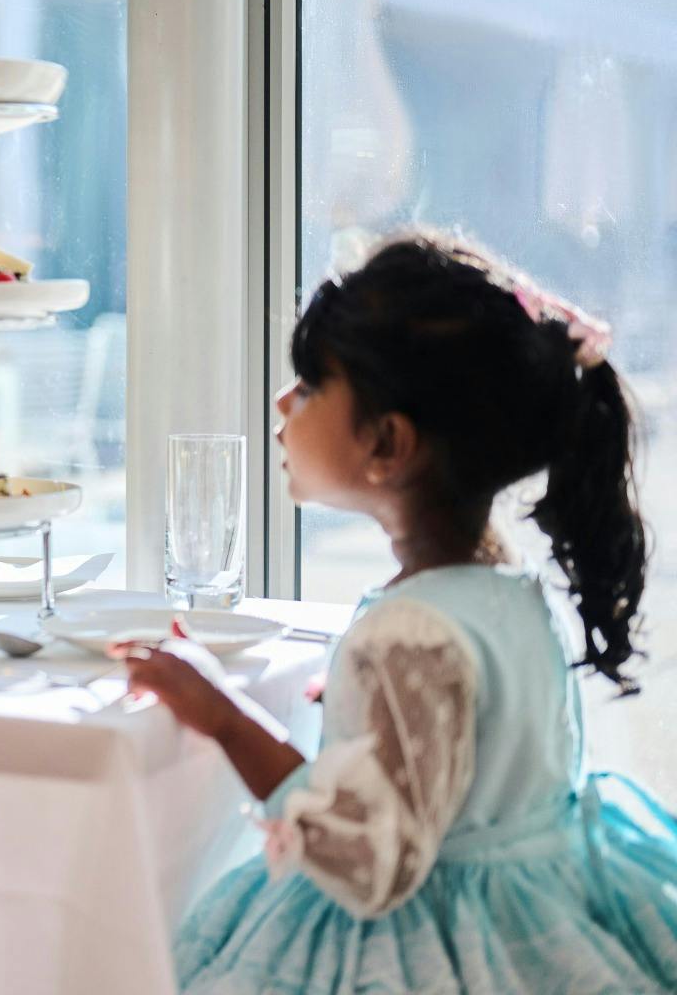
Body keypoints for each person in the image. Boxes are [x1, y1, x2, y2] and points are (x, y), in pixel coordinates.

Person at [118, 232, 677, 992]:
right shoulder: (508, 589)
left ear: (387, 444)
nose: (284, 403)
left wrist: (222, 714)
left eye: (310, 388)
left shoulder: (410, 634)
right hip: (542, 928)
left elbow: (367, 860)